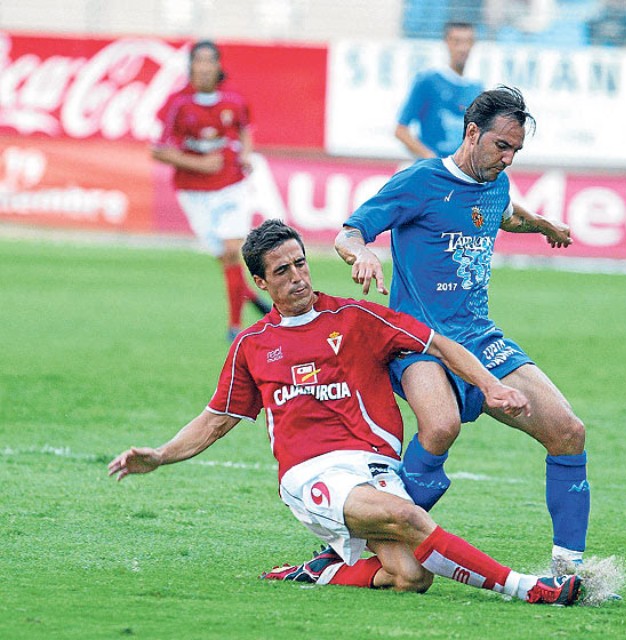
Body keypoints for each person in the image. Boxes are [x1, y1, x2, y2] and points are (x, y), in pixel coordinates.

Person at [108, 219, 583, 606]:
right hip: (311, 475)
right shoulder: (253, 346)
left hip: (374, 467)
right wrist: (162, 455)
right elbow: (216, 418)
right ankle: (529, 589)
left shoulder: (357, 318)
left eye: (300, 264)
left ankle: (323, 570)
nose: (297, 277)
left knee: (411, 576)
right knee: (408, 517)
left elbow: (437, 343)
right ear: (260, 282)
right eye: (282, 272)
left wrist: (490, 386)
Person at [335, 86, 591, 575]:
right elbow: (350, 231)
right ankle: (372, 542)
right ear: (472, 133)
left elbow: (506, 215)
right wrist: (362, 252)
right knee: (440, 426)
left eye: (516, 150)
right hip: (420, 342)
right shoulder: (419, 181)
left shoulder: (495, 184)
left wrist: (542, 225)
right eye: (501, 146)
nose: (508, 158)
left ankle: (570, 572)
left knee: (569, 432)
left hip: (480, 338)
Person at [153, 40, 270, 341]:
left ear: (218, 65)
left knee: (233, 250)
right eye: (199, 60)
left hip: (231, 184)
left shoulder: (234, 98)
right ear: (190, 65)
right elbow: (159, 150)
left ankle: (234, 327)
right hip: (193, 191)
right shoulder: (177, 103)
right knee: (224, 259)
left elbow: (245, 129)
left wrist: (245, 153)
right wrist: (200, 164)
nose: (204, 67)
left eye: (210, 61)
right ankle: (251, 298)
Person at [394, 22, 483, 159]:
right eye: (457, 41)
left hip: (462, 174)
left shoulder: (476, 88)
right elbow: (401, 130)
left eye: (467, 42)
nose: (463, 48)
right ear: (447, 42)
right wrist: (430, 157)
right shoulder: (428, 81)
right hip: (433, 172)